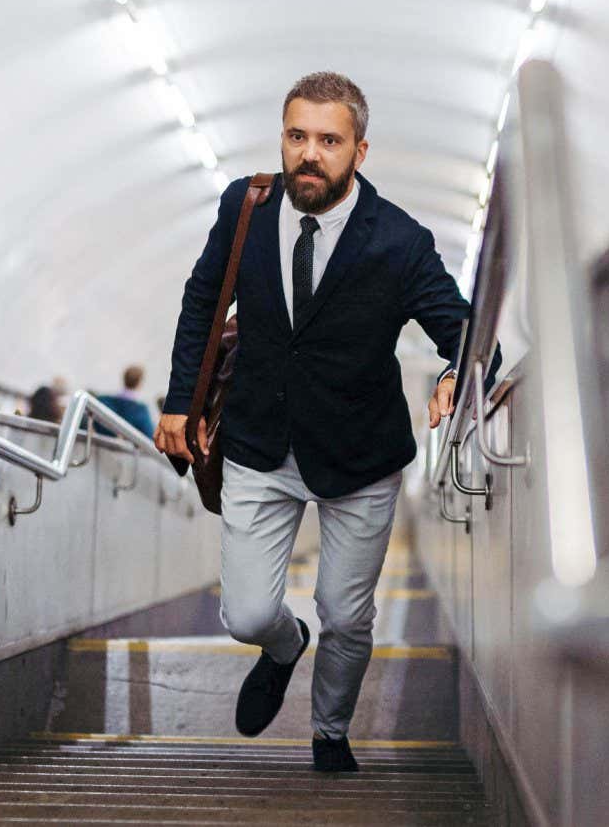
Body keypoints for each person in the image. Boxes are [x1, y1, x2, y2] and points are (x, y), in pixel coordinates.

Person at [155, 71, 498, 773]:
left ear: (359, 151)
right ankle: (285, 646)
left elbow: (464, 334)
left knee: (346, 614)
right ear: (283, 138)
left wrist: (454, 375)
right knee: (247, 615)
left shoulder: (399, 240)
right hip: (258, 440)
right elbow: (202, 300)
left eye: (329, 141)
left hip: (360, 455)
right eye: (297, 136)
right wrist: (179, 401)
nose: (310, 154)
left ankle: (330, 731)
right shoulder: (246, 207)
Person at [96, 364, 155, 439]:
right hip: (126, 445)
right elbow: (149, 435)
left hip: (103, 442)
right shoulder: (140, 411)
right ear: (139, 383)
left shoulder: (104, 401)